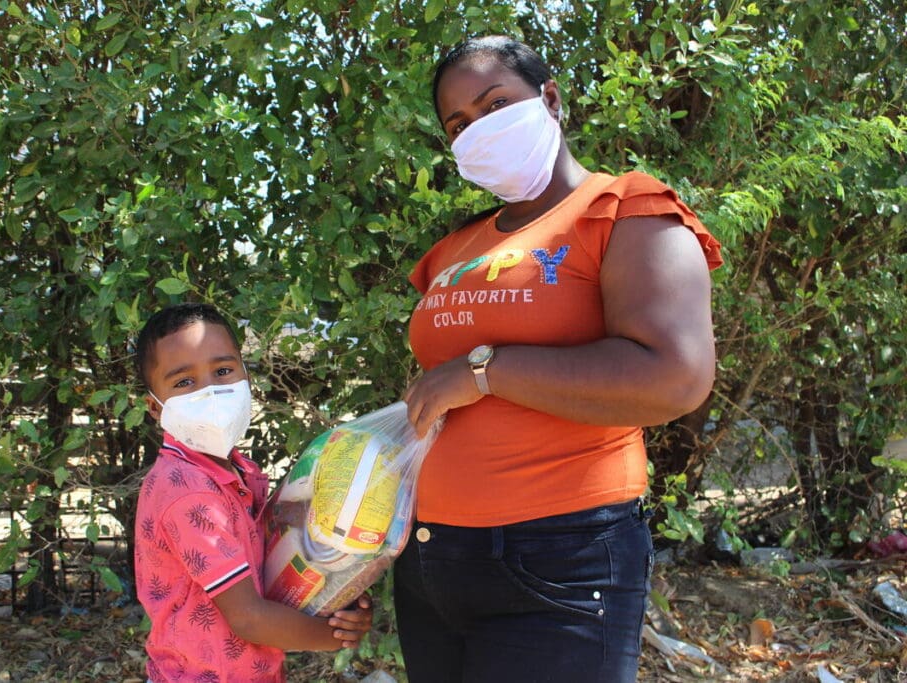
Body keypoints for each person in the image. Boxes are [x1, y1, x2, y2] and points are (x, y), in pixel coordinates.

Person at [397, 36, 724, 682]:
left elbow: (676, 375)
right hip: (431, 561)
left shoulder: (624, 210)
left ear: (550, 98)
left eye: (494, 105)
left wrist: (485, 372)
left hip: (559, 557)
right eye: (458, 124)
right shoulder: (452, 249)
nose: (477, 131)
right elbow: (435, 387)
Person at [133, 302, 373, 683]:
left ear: (247, 377)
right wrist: (333, 637)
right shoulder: (187, 491)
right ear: (154, 407)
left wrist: (341, 599)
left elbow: (273, 561)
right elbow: (248, 617)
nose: (210, 391)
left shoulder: (237, 472)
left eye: (223, 371)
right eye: (184, 382)